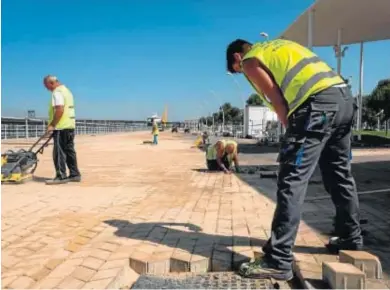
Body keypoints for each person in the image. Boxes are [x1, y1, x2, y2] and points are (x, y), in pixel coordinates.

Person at [226, 39, 362, 280]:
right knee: (339, 173)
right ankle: (350, 237)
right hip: (344, 99)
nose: (243, 74)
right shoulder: (278, 46)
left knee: (291, 180)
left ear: (237, 57)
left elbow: (275, 97)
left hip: (317, 106)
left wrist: (291, 131)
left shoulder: (250, 60)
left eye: (236, 71)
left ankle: (278, 260)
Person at [44, 75, 81, 185]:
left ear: (51, 83)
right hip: (69, 126)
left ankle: (61, 176)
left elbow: (59, 109)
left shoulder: (57, 92)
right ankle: (75, 174)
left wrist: (52, 125)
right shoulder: (67, 91)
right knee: (70, 151)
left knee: (59, 152)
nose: (47, 89)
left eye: (47, 86)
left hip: (60, 127)